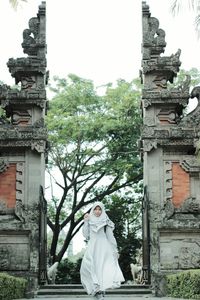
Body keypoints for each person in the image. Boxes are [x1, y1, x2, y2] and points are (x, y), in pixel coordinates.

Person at [80, 201, 125, 299]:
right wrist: (86, 221)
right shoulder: (89, 220)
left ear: (102, 210)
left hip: (104, 246)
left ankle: (101, 290)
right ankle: (96, 288)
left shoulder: (106, 221)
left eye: (99, 209)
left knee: (103, 268)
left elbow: (110, 236)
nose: (97, 211)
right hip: (93, 246)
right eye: (95, 209)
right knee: (90, 266)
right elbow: (86, 235)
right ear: (92, 210)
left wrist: (115, 249)